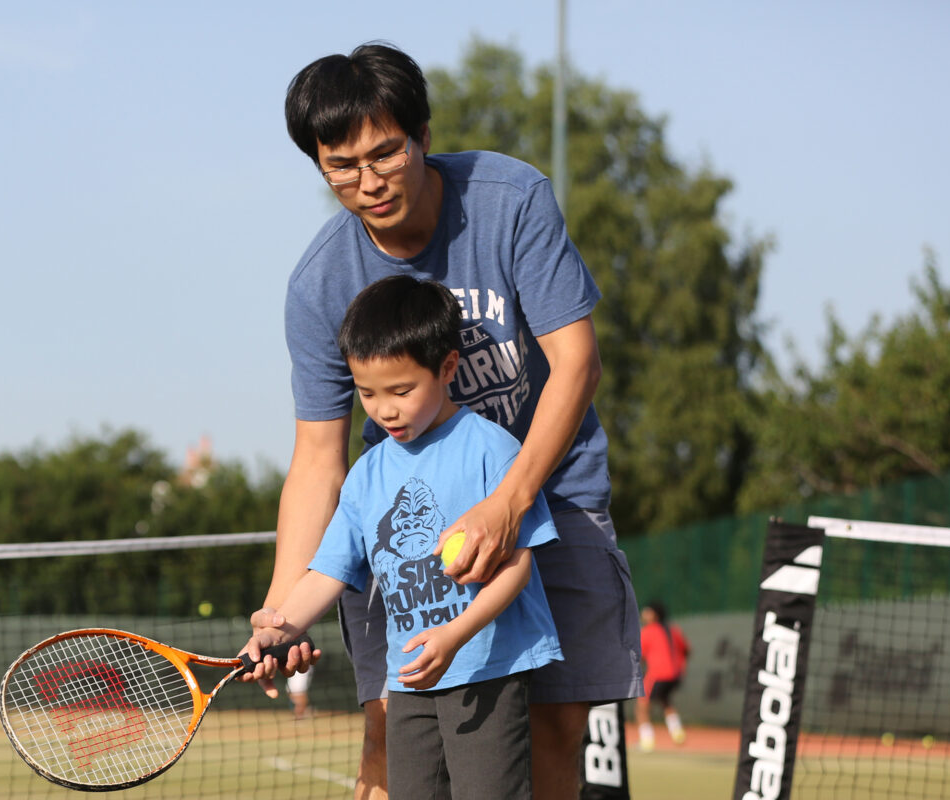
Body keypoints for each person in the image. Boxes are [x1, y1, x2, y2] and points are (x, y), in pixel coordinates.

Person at [248, 42, 643, 800]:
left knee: (557, 729)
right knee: (389, 735)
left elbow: (578, 364)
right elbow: (318, 461)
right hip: (406, 532)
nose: (368, 182)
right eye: (340, 166)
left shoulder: (511, 199)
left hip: (549, 496)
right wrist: (280, 611)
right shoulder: (319, 283)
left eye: (385, 153)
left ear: (422, 135)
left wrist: (508, 502)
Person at [245, 275, 563, 798]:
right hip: (409, 681)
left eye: (401, 390)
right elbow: (326, 571)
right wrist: (280, 627)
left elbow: (518, 568)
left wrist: (454, 635)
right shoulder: (366, 475)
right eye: (366, 393)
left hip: (486, 670)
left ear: (447, 368)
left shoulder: (492, 449)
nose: (383, 409)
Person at [636, 600, 691, 752]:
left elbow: (638, 656)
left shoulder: (648, 631)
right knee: (665, 700)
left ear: (655, 614)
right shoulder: (674, 630)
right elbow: (687, 649)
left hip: (658, 675)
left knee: (642, 706)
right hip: (676, 675)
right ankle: (677, 732)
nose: (644, 614)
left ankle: (646, 741)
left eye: (647, 611)